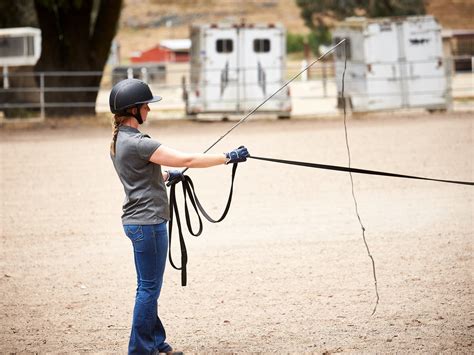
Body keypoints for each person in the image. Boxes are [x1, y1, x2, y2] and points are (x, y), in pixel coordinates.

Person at [109, 78, 249, 355]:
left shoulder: (119, 140)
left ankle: (155, 340)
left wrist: (164, 176)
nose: (149, 110)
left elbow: (139, 175)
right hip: (148, 223)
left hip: (138, 220)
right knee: (148, 290)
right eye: (146, 106)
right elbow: (188, 160)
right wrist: (227, 157)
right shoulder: (140, 143)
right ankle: (140, 349)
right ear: (134, 109)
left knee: (147, 287)